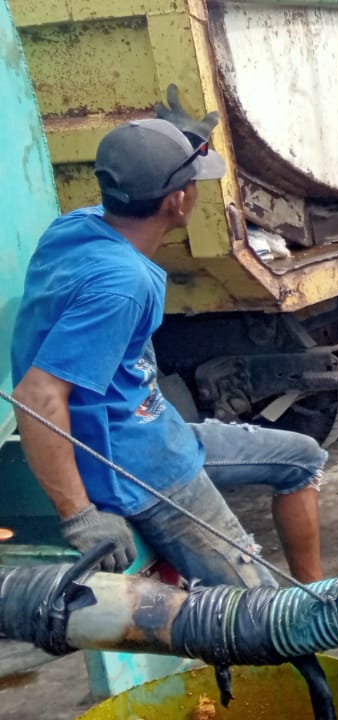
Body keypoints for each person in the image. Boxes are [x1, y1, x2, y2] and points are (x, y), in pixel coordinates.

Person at [9, 115, 281, 587]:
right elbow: (37, 396)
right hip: (139, 468)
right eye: (193, 183)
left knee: (302, 459)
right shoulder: (124, 284)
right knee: (260, 608)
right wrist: (80, 515)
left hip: (154, 432)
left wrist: (165, 147)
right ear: (177, 201)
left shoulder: (76, 226)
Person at [194, 420, 327, 582]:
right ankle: (313, 592)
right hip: (168, 450)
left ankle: (313, 591)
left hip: (172, 429)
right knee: (302, 461)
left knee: (305, 453)